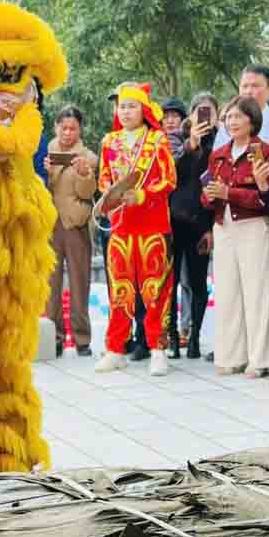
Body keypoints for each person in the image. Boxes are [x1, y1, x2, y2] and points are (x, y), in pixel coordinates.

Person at [96, 82, 178, 377]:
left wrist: (142, 195)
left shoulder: (158, 140)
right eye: (121, 106)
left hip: (153, 224)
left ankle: (158, 349)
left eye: (131, 106)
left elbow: (169, 180)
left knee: (155, 289)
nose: (125, 111)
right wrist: (112, 193)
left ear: (143, 109)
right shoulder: (109, 141)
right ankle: (115, 349)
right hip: (120, 225)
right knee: (120, 290)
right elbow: (103, 179)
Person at [203, 96, 269, 378]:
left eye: (237, 116)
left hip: (253, 225)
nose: (232, 122)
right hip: (222, 226)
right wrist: (210, 195)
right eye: (228, 118)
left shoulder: (266, 152)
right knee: (226, 291)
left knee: (257, 291)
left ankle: (261, 358)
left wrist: (230, 193)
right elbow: (209, 195)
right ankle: (230, 355)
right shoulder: (218, 153)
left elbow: (265, 197)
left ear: (251, 119)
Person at [44, 105, 98, 357]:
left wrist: (85, 173)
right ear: (56, 127)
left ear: (80, 129)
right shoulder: (46, 151)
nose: (67, 132)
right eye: (63, 127)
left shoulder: (88, 156)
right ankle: (54, 337)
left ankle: (82, 339)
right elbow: (38, 186)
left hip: (75, 225)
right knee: (50, 286)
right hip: (50, 225)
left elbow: (87, 194)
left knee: (80, 282)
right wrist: (45, 170)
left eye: (72, 128)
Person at [169, 93, 217, 361]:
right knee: (171, 281)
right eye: (199, 111)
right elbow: (172, 170)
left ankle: (196, 337)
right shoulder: (177, 137)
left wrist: (210, 227)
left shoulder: (221, 140)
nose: (204, 116)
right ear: (191, 114)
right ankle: (173, 338)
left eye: (209, 111)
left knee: (199, 283)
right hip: (174, 220)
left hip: (201, 222)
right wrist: (192, 143)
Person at [213, 65, 269, 161]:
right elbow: (216, 160)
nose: (248, 91)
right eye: (245, 86)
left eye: (255, 86)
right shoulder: (228, 125)